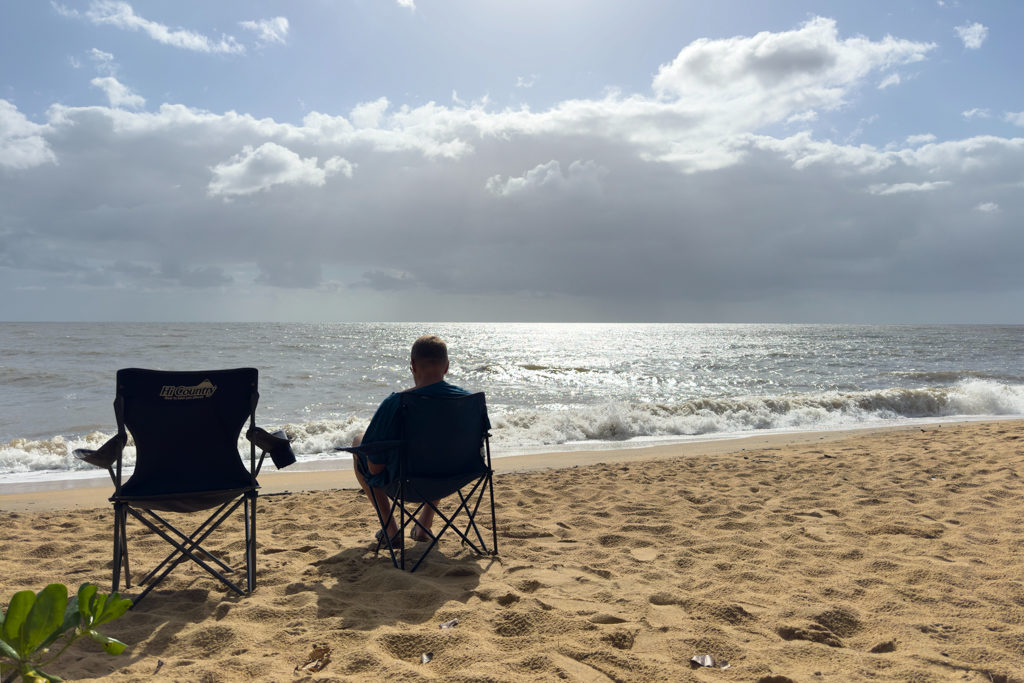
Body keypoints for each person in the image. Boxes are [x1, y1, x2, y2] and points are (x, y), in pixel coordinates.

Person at [351, 334, 471, 545]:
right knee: (440, 451)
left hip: (405, 484)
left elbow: (375, 467)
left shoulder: (395, 403)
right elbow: (473, 450)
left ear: (413, 365)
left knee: (359, 442)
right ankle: (424, 525)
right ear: (447, 367)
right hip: (454, 477)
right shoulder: (469, 402)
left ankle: (391, 530)